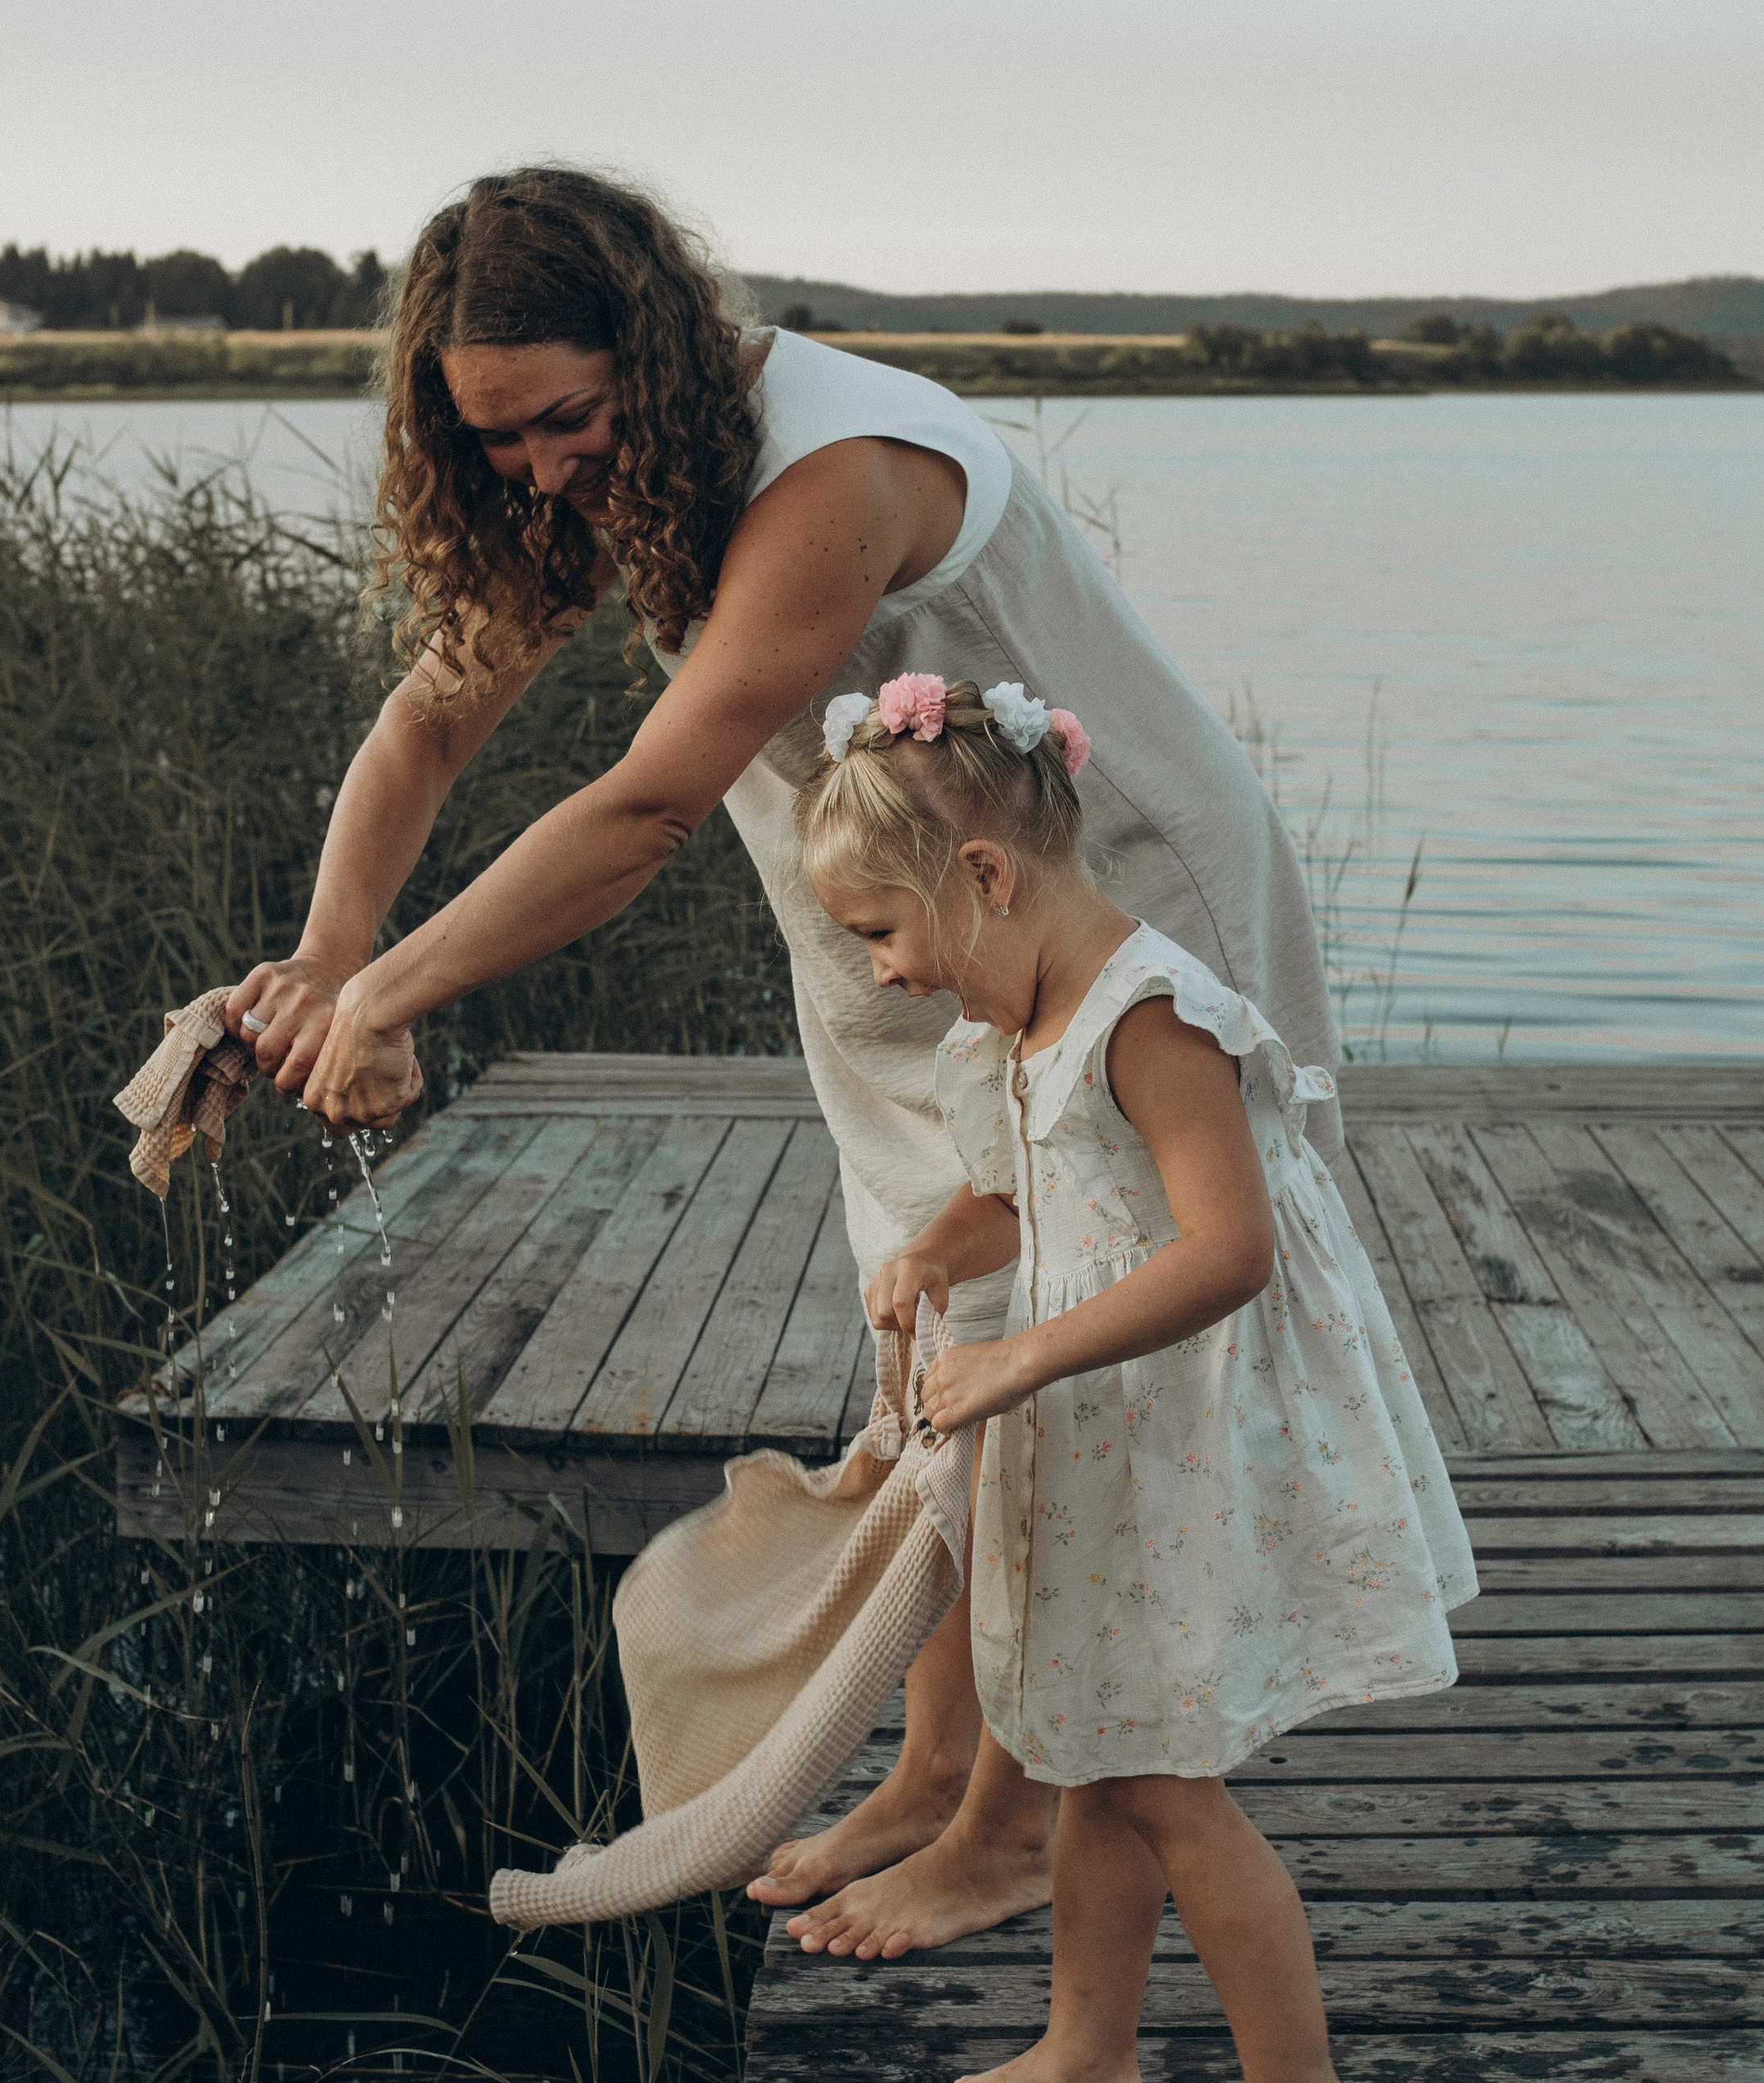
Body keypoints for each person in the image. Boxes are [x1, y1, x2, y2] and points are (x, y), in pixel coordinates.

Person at [224, 164, 1344, 1958]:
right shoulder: (602, 463)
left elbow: (654, 800)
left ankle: (999, 1823)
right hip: (904, 925)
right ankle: (923, 1775)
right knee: (925, 1341)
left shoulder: (834, 469)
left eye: (560, 420)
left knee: (1034, 1368)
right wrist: (334, 949)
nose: (532, 471)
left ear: (647, 354)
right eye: (490, 438)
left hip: (1097, 894)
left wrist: (398, 1000)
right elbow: (432, 713)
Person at [795, 675, 1476, 2080]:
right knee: (1093, 1755)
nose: (881, 971)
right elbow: (1022, 1198)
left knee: (1168, 1788)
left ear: (983, 876)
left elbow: (1234, 1251)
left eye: (879, 930)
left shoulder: (1152, 1015)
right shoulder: (1016, 1024)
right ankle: (1085, 2049)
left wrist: (1020, 1355)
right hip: (1104, 1438)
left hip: (1180, 1444)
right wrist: (934, 1249)